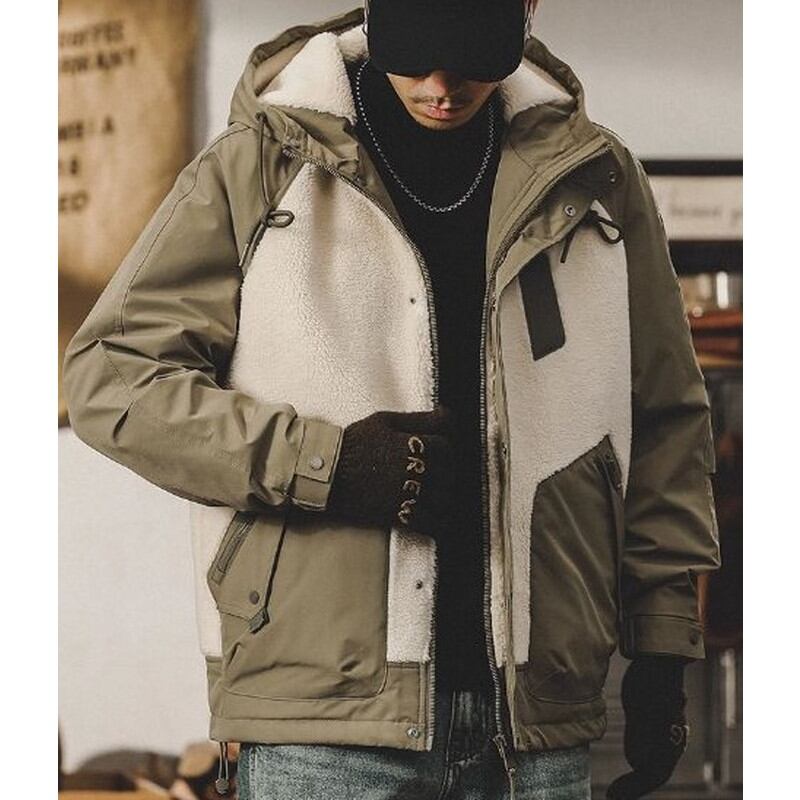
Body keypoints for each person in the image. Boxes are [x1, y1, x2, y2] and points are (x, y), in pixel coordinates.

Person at [62, 2, 722, 798]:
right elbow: (110, 377)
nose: (444, 87)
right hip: (324, 726)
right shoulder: (260, 163)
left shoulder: (596, 179)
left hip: (540, 720)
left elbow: (663, 419)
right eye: (416, 55)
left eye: (475, 57)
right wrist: (331, 465)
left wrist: (662, 645)